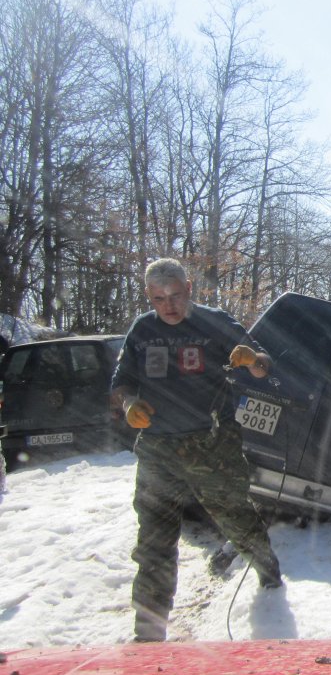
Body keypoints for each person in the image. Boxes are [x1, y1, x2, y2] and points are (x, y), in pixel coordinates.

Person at [111, 257, 281, 643]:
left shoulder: (215, 322)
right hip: (157, 450)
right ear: (149, 298)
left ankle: (268, 573)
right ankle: (149, 636)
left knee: (237, 520)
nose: (168, 306)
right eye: (158, 298)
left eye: (174, 295)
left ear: (189, 289)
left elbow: (265, 366)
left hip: (212, 445)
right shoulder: (142, 330)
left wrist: (252, 360)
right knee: (154, 543)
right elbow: (122, 383)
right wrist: (128, 405)